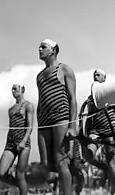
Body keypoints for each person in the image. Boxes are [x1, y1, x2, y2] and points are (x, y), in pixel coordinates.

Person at [80, 69, 115, 194]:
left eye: (98, 75)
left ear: (104, 78)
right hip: (96, 130)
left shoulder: (110, 93)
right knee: (88, 155)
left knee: (112, 162)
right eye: (94, 75)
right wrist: (85, 134)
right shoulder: (90, 98)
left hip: (110, 130)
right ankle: (104, 168)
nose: (95, 76)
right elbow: (88, 117)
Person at [36, 39, 77, 195]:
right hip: (43, 122)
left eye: (43, 47)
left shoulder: (64, 70)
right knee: (46, 163)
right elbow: (41, 100)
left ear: (53, 50)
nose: (39, 49)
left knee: (61, 161)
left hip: (61, 117)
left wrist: (72, 126)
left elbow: (73, 99)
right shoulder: (39, 76)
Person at [0, 84, 34, 195]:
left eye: (15, 89)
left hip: (23, 143)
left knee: (20, 174)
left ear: (22, 89)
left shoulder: (28, 106)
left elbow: (30, 126)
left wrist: (23, 141)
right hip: (10, 143)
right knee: (0, 173)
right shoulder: (11, 110)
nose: (13, 91)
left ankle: (23, 190)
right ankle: (24, 188)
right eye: (12, 89)